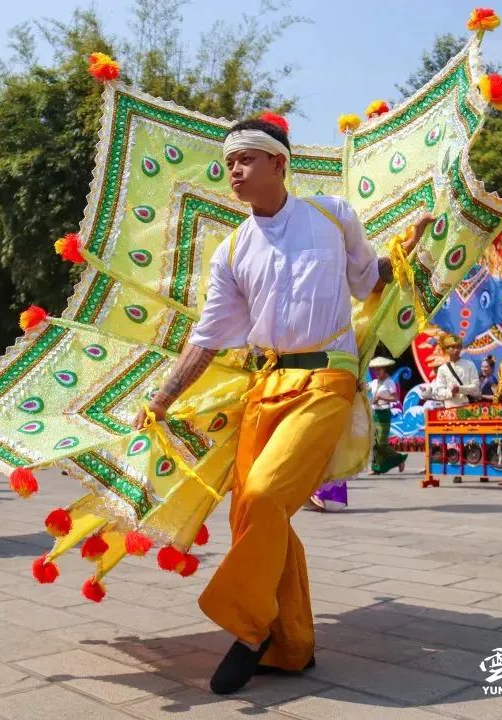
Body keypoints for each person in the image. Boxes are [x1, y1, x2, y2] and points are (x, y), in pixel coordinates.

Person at [132, 116, 431, 694]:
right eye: (229, 162)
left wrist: (412, 246)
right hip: (266, 386)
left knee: (267, 496)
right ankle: (291, 645)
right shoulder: (232, 251)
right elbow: (209, 336)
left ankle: (247, 631)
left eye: (245, 159)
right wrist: (165, 397)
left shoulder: (332, 214)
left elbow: (369, 280)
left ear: (279, 164)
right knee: (250, 514)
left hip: (328, 380)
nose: (234, 171)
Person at [368, 357, 407, 474]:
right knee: (374, 442)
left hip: (384, 413)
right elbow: (366, 388)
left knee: (381, 443)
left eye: (379, 370)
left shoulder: (389, 382)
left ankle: (399, 459)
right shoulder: (374, 382)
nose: (377, 372)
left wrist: (381, 398)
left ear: (384, 370)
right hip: (375, 413)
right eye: (375, 370)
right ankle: (376, 468)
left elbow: (395, 398)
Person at [432, 335, 480, 408]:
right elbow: (438, 391)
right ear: (446, 349)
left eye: (458, 347)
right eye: (453, 347)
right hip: (449, 409)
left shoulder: (469, 365)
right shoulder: (442, 369)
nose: (456, 350)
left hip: (467, 407)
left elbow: (476, 387)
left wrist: (459, 389)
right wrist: (451, 392)